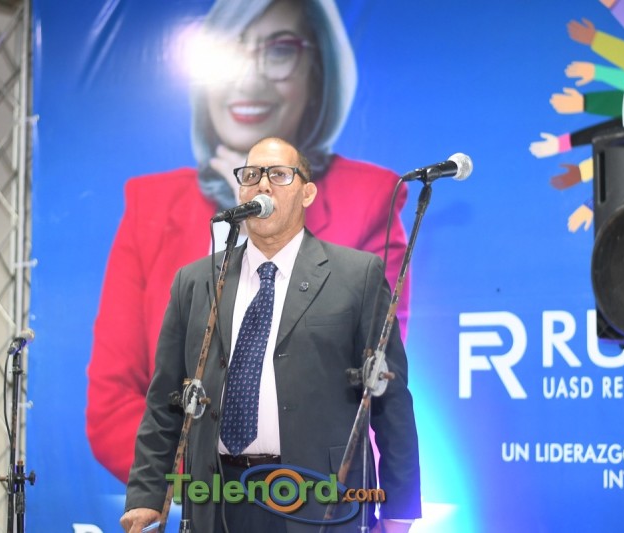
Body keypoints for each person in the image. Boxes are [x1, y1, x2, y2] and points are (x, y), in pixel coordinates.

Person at [87, 0, 411, 483]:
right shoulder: (150, 205)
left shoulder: (372, 200)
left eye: (279, 51)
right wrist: (201, 475)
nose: (249, 80)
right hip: (208, 493)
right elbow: (116, 404)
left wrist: (272, 217)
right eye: (232, 52)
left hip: (312, 490)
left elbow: (375, 383)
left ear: (319, 69)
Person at [120, 137, 421, 533]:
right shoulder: (195, 282)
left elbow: (390, 399)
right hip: (216, 496)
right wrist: (146, 496)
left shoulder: (356, 276)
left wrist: (399, 510)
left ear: (307, 193)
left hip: (319, 498)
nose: (262, 184)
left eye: (278, 175)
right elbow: (165, 401)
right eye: (251, 175)